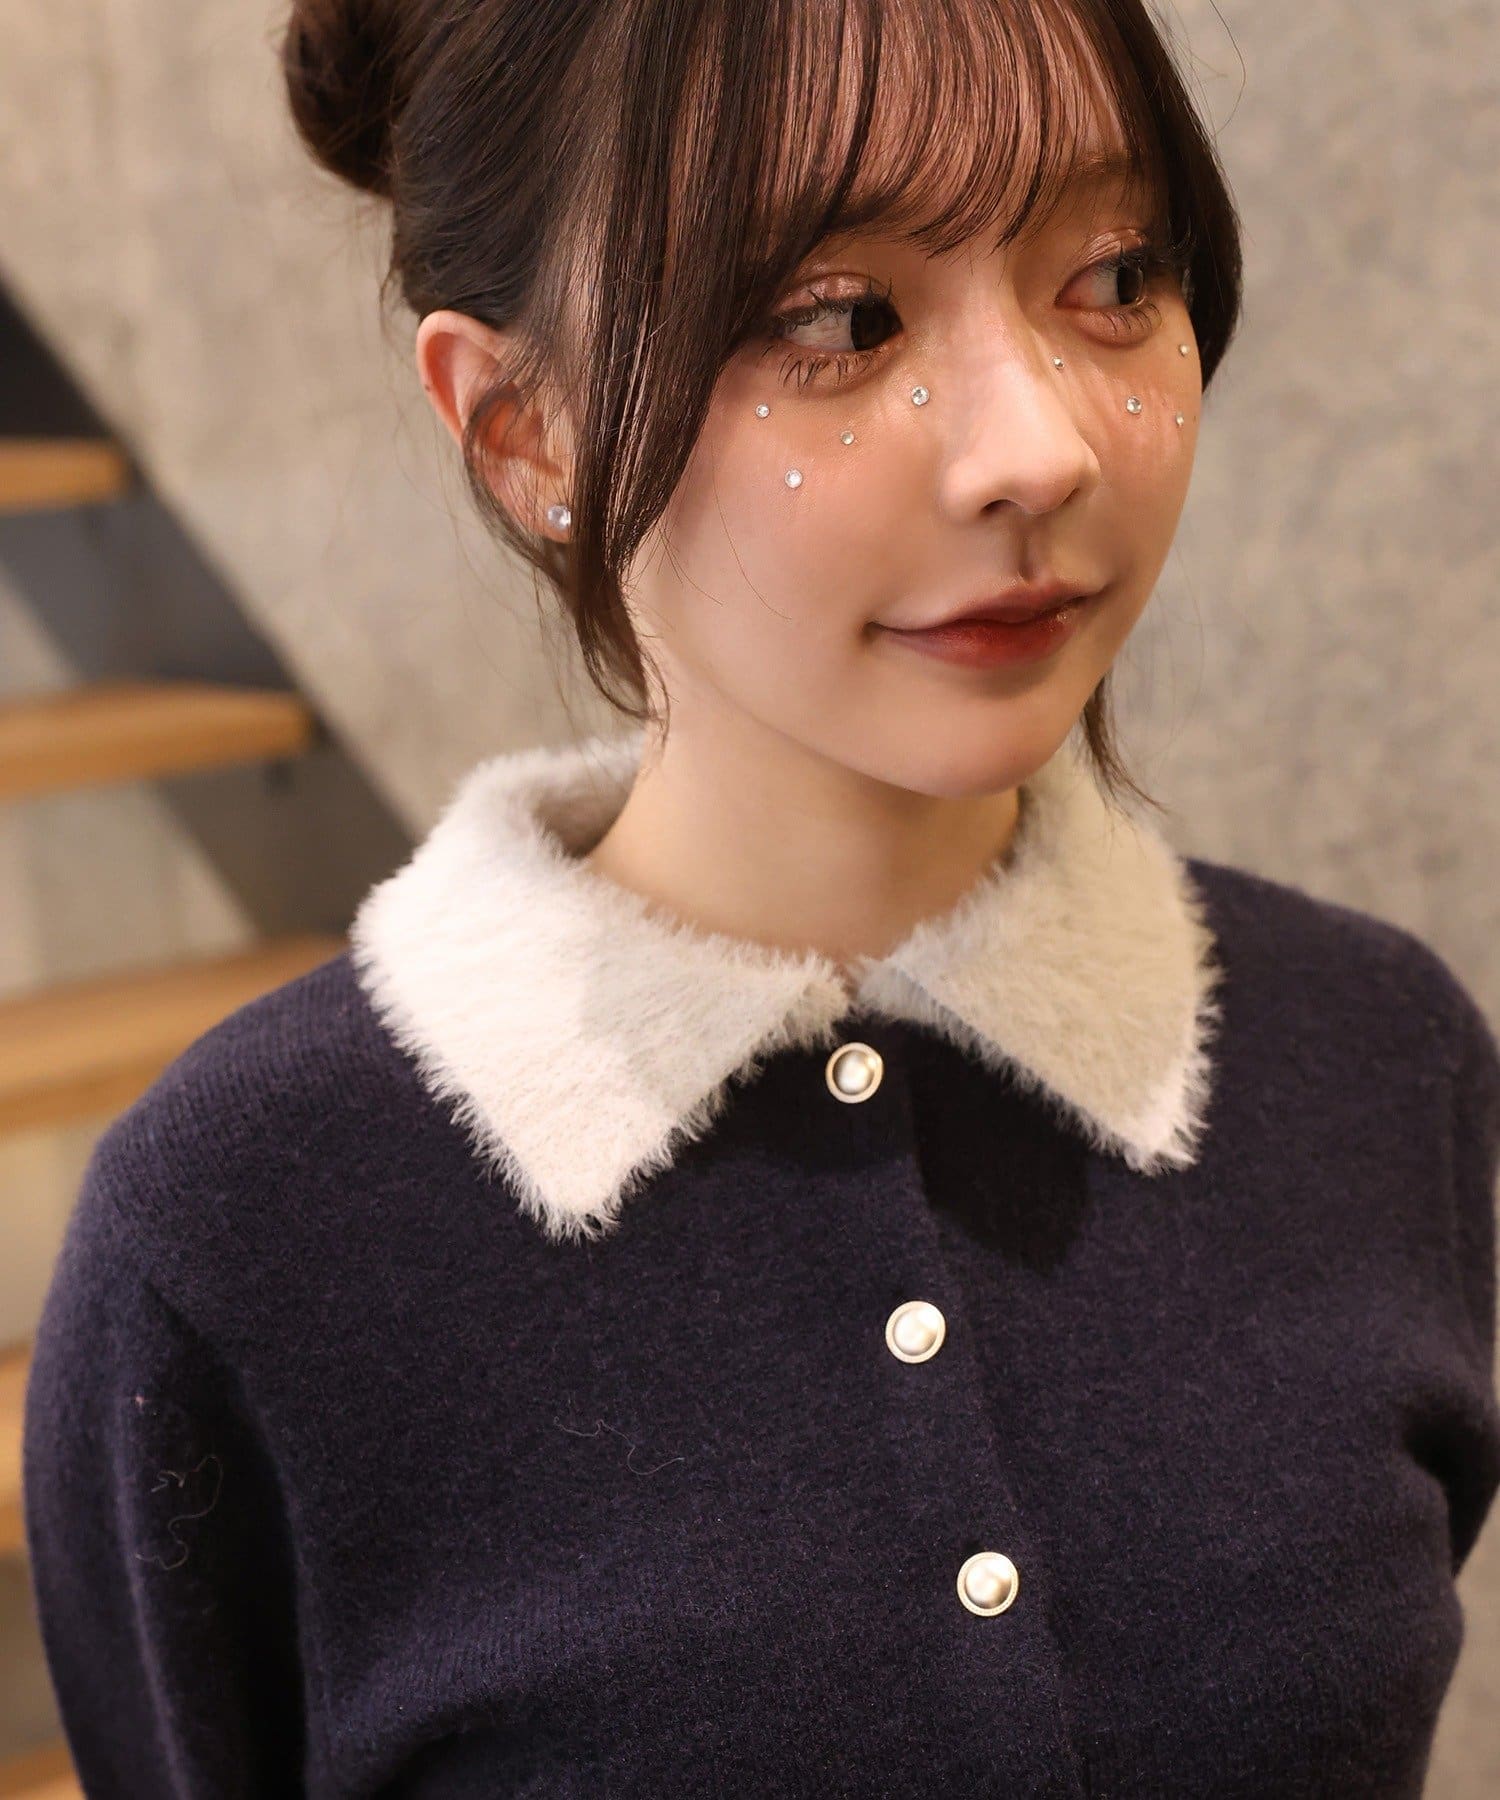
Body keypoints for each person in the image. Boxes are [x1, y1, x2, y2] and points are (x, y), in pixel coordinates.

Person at [22, 0, 1500, 1794]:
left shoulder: (1376, 1061)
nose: (1037, 448)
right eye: (840, 319)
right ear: (526, 432)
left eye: (1114, 276)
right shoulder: (244, 1232)